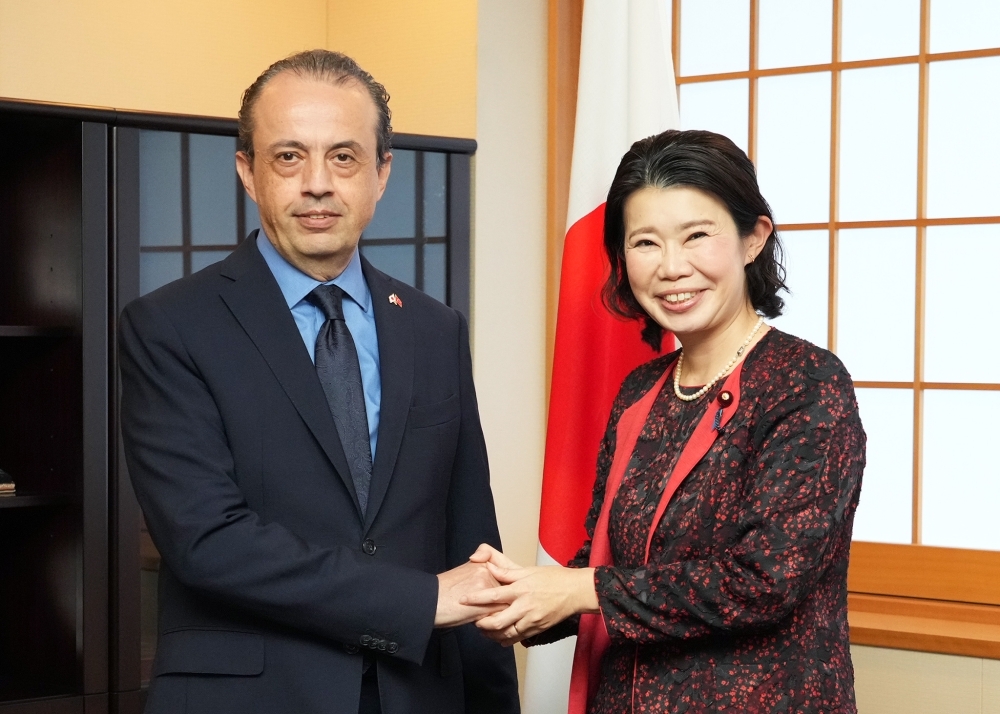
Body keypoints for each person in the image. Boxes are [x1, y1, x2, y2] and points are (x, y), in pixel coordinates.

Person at [119, 50, 519, 714]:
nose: (317, 184)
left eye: (343, 157)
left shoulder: (434, 328)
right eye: (288, 157)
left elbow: (471, 544)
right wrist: (419, 600)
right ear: (247, 171)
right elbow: (206, 541)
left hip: (418, 694)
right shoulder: (169, 326)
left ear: (381, 173)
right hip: (249, 699)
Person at [466, 130, 865, 713]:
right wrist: (521, 597)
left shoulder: (805, 383)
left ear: (753, 239)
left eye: (697, 235)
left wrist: (579, 589)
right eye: (645, 243)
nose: (672, 267)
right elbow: (607, 567)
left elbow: (764, 581)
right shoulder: (641, 390)